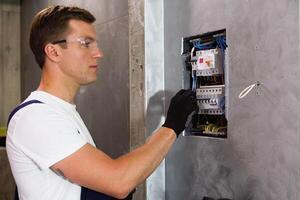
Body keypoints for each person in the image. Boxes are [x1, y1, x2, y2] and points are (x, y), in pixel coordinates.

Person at [6, 5, 198, 200]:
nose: (98, 53)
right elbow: (118, 181)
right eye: (85, 43)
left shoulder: (60, 112)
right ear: (54, 52)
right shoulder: (36, 117)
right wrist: (172, 126)